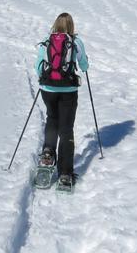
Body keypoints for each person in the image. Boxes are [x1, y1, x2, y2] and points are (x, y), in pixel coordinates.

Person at [34, 12, 89, 188]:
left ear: (55, 24)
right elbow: (84, 64)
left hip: (48, 89)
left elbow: (38, 66)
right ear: (71, 25)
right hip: (68, 91)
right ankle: (65, 173)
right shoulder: (76, 42)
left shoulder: (47, 40)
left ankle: (48, 153)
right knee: (66, 128)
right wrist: (84, 64)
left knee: (52, 118)